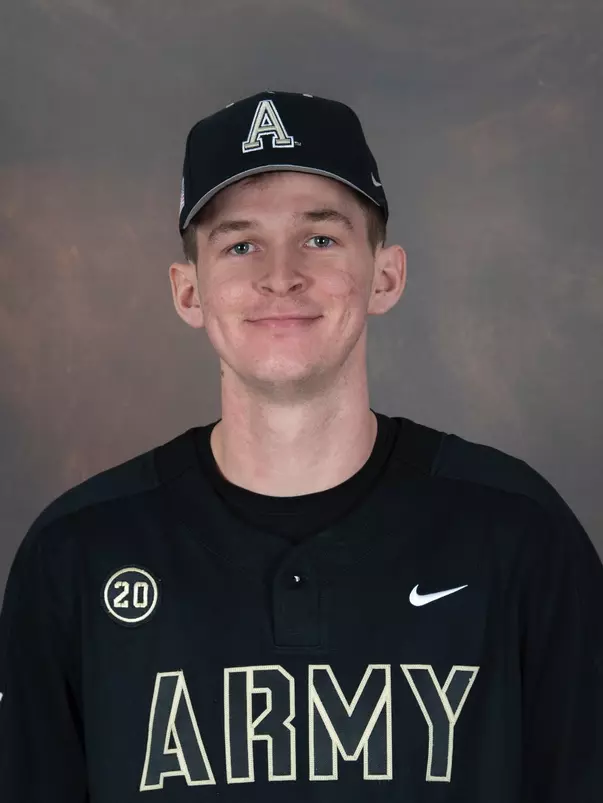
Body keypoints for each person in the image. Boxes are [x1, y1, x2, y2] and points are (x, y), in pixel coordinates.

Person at [0, 89, 601, 802]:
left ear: (385, 274)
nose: (279, 275)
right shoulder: (77, 553)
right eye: (240, 243)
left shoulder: (519, 534)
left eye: (320, 237)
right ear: (188, 291)